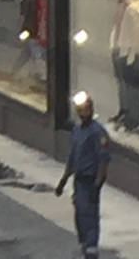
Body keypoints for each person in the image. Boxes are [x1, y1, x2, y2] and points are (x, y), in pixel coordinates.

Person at [55, 91, 111, 259]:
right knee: (79, 214)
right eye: (79, 110)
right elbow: (73, 157)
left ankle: (91, 249)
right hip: (78, 180)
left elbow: (103, 160)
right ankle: (84, 245)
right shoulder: (77, 130)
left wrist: (98, 184)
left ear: (91, 110)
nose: (82, 114)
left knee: (89, 215)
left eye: (85, 110)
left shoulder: (98, 133)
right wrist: (63, 180)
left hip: (90, 180)